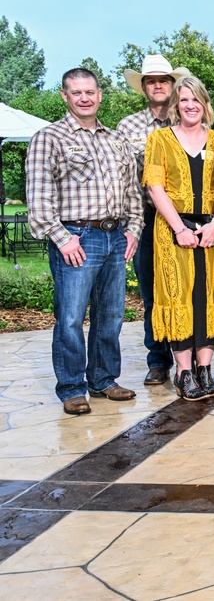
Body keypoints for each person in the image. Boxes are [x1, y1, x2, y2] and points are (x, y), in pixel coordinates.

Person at [25, 68, 144, 415]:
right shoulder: (49, 138)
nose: (84, 98)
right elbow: (39, 198)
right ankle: (72, 387)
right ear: (64, 96)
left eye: (90, 91)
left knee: (111, 316)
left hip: (114, 236)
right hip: (76, 237)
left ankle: (104, 379)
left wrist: (133, 229)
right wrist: (63, 239)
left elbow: (132, 192)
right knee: (72, 318)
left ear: (99, 94)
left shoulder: (115, 140)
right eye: (76, 92)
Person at [144, 76, 214, 401]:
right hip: (173, 229)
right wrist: (180, 228)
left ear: (204, 104)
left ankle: (204, 369)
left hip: (212, 229)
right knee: (179, 293)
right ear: (176, 104)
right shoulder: (159, 139)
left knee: (208, 293)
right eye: (184, 100)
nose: (190, 105)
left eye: (196, 99)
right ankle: (183, 372)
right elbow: (156, 187)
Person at [118, 54, 190, 387]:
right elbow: (122, 179)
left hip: (187, 218)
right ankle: (158, 359)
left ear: (173, 85)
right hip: (147, 218)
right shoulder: (129, 127)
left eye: (163, 79)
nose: (158, 85)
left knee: (187, 291)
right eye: (151, 80)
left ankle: (186, 361)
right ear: (144, 87)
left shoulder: (190, 118)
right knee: (152, 293)